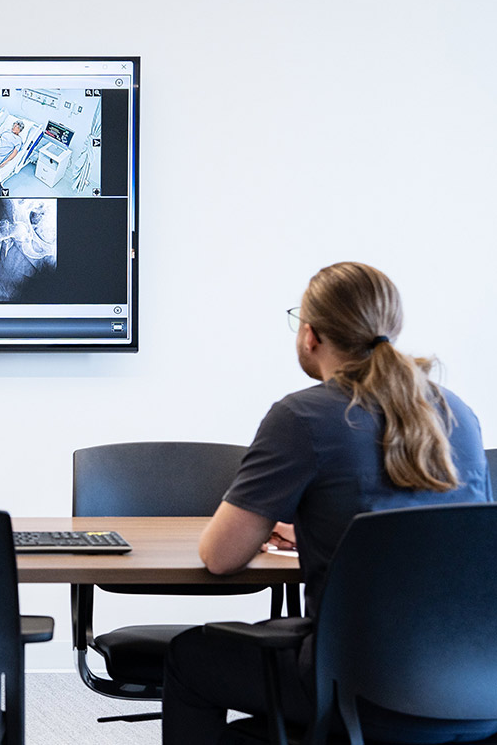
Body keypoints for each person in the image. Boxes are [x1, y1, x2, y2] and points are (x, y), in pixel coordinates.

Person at [163, 262, 497, 745]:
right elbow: (449, 542)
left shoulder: (301, 417)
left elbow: (220, 557)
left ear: (310, 335)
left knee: (189, 656)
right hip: (474, 690)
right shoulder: (457, 412)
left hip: (360, 690)